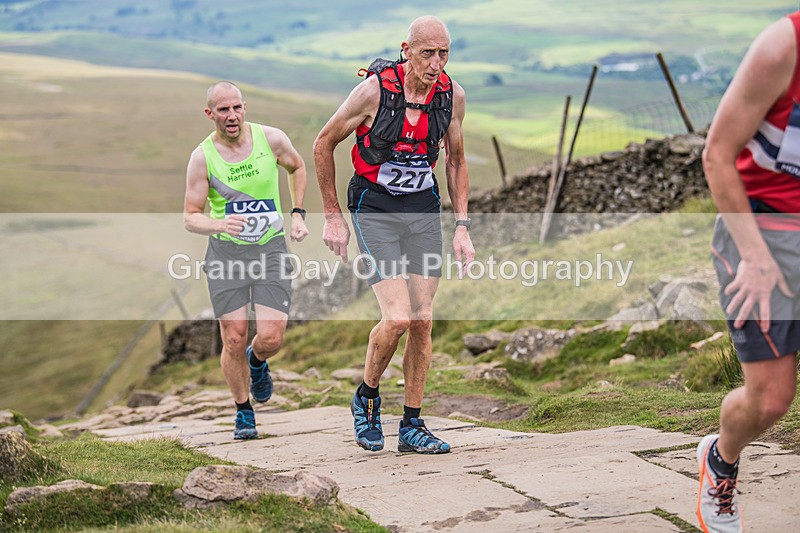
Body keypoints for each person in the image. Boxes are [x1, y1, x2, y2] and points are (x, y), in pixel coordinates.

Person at [313, 16, 474, 455]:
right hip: (375, 208)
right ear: (406, 49)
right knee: (399, 318)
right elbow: (323, 143)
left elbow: (456, 161)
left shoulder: (451, 97)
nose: (436, 63)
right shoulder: (373, 92)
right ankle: (366, 397)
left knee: (423, 319)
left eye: (444, 53)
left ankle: (412, 425)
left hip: (422, 208)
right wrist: (331, 216)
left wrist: (462, 226)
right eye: (427, 53)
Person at [700, 11, 800, 532]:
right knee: (772, 398)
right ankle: (722, 457)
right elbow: (717, 155)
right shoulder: (782, 48)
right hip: (760, 233)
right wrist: (756, 256)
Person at [183, 81, 309, 440]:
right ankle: (243, 411)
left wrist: (297, 213)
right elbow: (190, 216)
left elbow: (298, 168)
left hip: (270, 249)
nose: (232, 115)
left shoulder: (271, 140)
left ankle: (258, 362)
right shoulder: (202, 157)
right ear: (210, 114)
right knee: (234, 337)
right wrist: (220, 222)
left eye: (237, 107)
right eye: (223, 110)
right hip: (226, 254)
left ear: (245, 107)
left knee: (271, 337)